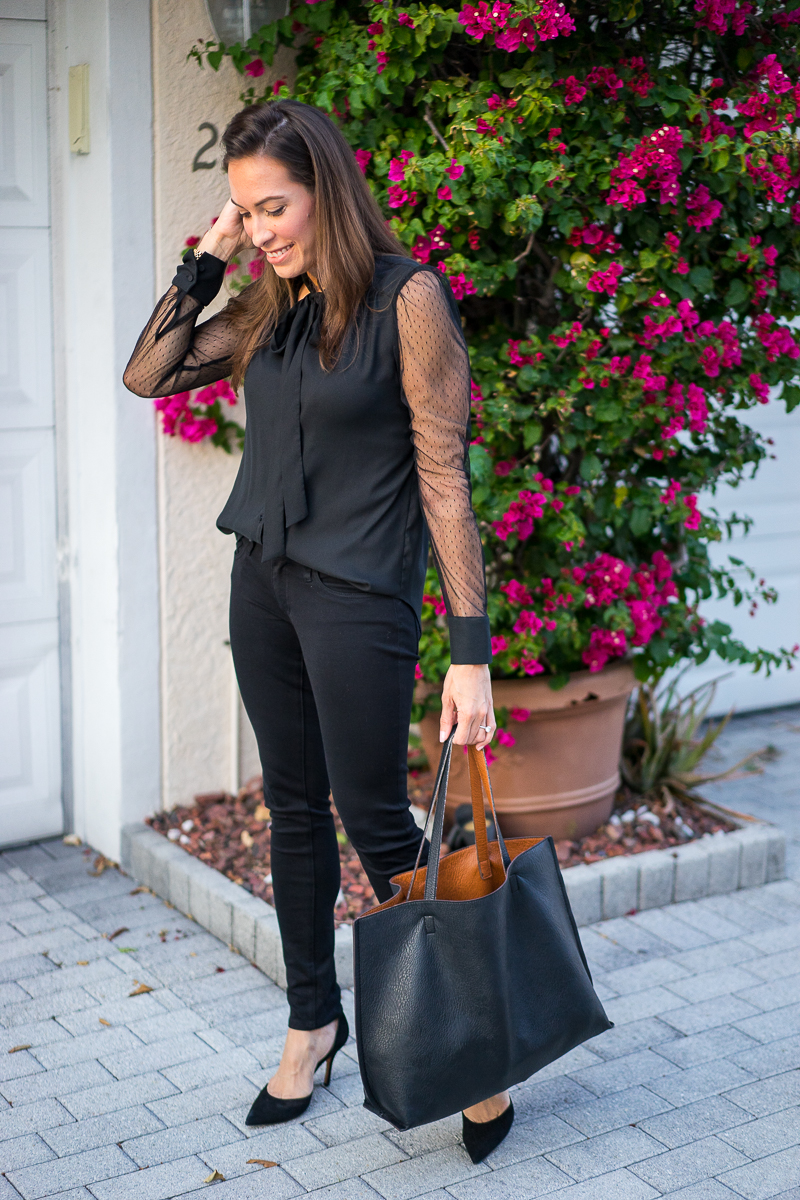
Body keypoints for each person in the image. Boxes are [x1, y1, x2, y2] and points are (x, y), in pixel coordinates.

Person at [124, 98, 513, 1162]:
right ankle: (313, 1021)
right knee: (291, 812)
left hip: (358, 602)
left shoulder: (408, 300)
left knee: (379, 824)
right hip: (265, 585)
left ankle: (478, 1045)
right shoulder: (263, 307)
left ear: (325, 188)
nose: (260, 230)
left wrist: (469, 656)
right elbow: (148, 373)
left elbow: (442, 478)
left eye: (274, 208)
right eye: (244, 213)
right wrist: (203, 264)